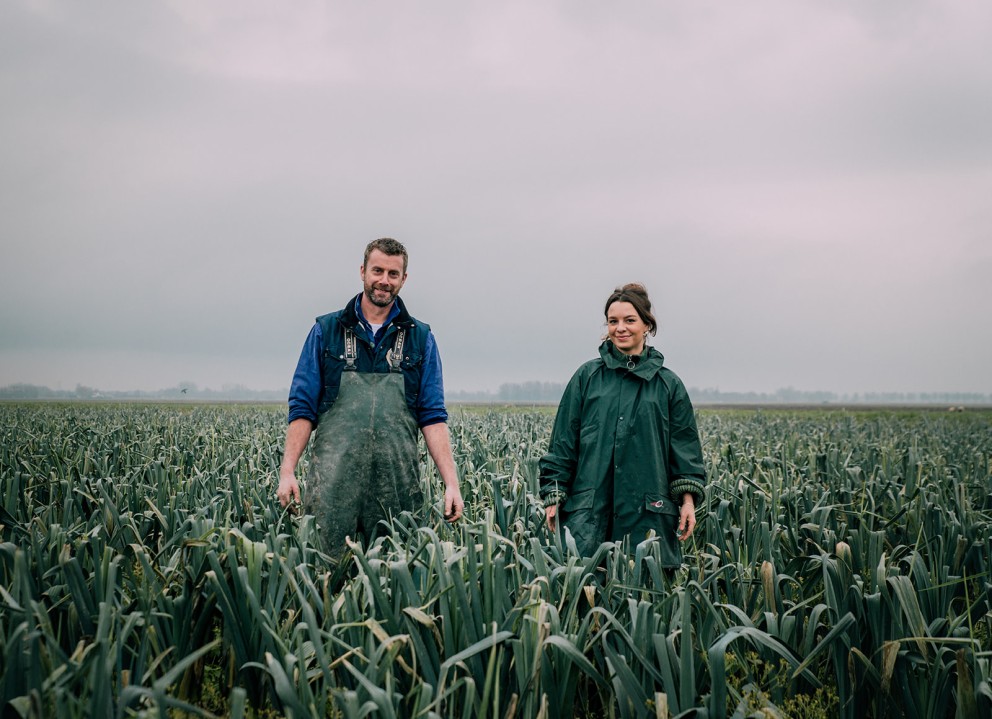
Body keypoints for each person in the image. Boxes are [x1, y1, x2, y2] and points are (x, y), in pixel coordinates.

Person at [276, 238, 463, 558]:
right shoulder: (326, 330)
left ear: (404, 279)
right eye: (378, 270)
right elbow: (303, 408)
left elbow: (432, 416)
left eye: (393, 274)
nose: (384, 281)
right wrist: (288, 470)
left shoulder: (421, 338)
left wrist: (452, 483)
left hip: (396, 495)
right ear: (363, 271)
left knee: (395, 589)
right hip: (332, 494)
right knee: (326, 583)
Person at [539, 283, 706, 567]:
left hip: (648, 516)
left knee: (645, 599)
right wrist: (553, 494)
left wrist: (688, 501)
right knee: (586, 598)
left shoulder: (668, 385)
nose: (620, 328)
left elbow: (685, 452)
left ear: (647, 325)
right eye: (613, 321)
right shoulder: (587, 377)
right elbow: (563, 443)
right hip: (589, 517)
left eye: (629, 320)